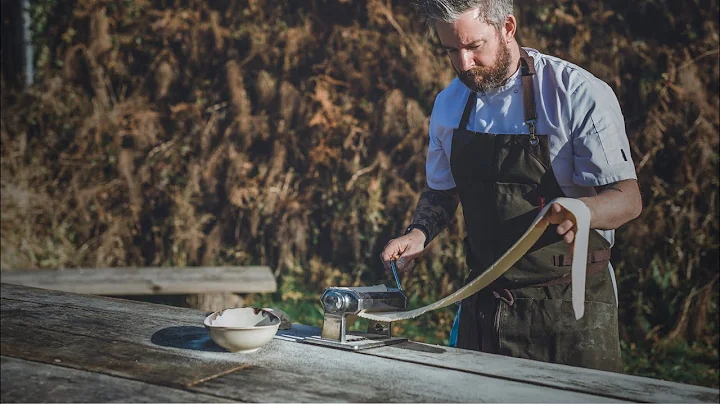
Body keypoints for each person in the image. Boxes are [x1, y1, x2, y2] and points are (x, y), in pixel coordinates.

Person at [380, 0, 642, 372]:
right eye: (451, 51)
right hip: (484, 304)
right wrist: (419, 233)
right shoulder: (449, 104)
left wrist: (586, 210)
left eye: (473, 47)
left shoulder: (576, 93)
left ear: (507, 28)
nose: (463, 64)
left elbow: (628, 199)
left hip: (568, 310)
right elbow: (443, 190)